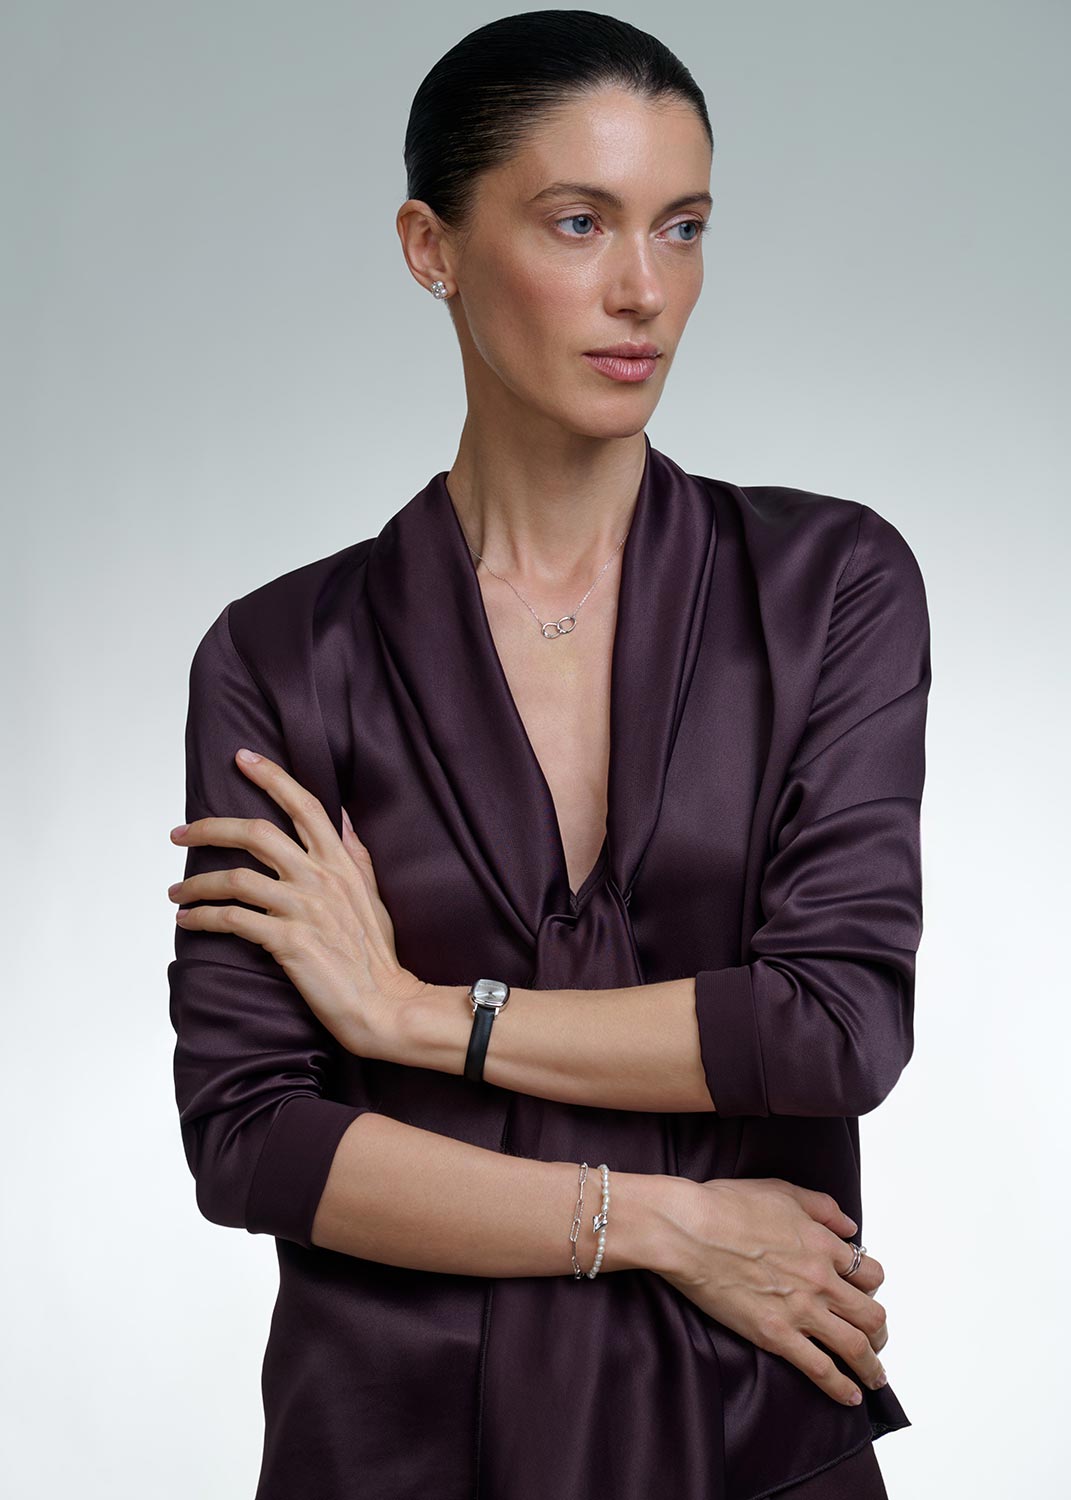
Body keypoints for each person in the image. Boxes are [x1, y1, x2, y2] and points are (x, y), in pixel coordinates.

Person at [167, 12, 930, 1499]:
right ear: (432, 248)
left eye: (682, 227)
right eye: (579, 223)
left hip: (752, 1433)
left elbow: (834, 1029)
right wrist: (661, 1224)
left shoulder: (829, 588)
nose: (644, 289)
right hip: (395, 1449)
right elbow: (253, 1141)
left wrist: (410, 1016)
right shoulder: (283, 657)